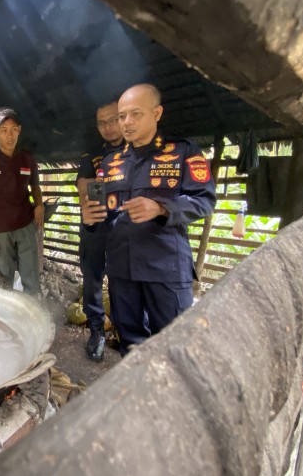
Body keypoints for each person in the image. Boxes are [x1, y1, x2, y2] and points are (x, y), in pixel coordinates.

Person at [81, 84, 216, 356]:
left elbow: (204, 201)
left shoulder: (182, 152)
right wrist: (90, 219)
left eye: (135, 114)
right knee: (130, 346)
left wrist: (161, 207)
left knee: (173, 347)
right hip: (122, 270)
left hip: (165, 268)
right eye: (122, 116)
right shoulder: (109, 162)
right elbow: (105, 216)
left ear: (157, 113)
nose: (126, 122)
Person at [0, 107, 44, 295]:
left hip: (25, 225)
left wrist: (39, 205)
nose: (9, 135)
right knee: (5, 280)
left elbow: (35, 187)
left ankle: (31, 317)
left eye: (13, 129)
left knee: (31, 278)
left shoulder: (27, 158)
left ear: (19, 130)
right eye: (3, 130)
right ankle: (9, 318)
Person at [76, 101, 125, 361]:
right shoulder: (93, 152)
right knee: (92, 279)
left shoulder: (135, 148)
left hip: (127, 227)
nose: (107, 127)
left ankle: (122, 330)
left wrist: (104, 183)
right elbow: (84, 184)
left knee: (122, 279)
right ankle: (97, 331)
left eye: (113, 120)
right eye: (102, 122)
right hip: (96, 222)